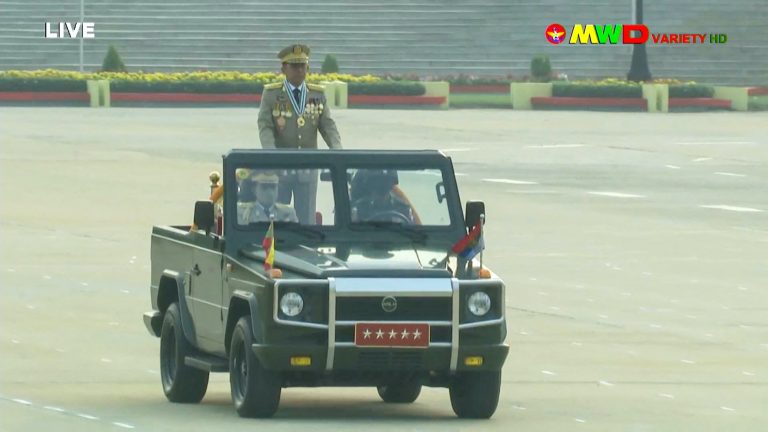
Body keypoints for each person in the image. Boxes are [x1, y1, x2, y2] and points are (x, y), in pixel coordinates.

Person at [257, 43, 342, 224]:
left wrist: (337, 150)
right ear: (284, 69)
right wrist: (270, 153)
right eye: (294, 66)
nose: (299, 70)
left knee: (306, 220)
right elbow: (265, 126)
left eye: (303, 66)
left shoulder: (316, 95)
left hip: (307, 168)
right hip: (280, 169)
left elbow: (328, 126)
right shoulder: (272, 94)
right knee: (278, 218)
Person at [350, 169, 415, 224]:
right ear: (370, 186)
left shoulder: (403, 208)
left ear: (391, 185)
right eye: (376, 183)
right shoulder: (359, 209)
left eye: (386, 184)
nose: (382, 188)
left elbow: (412, 233)